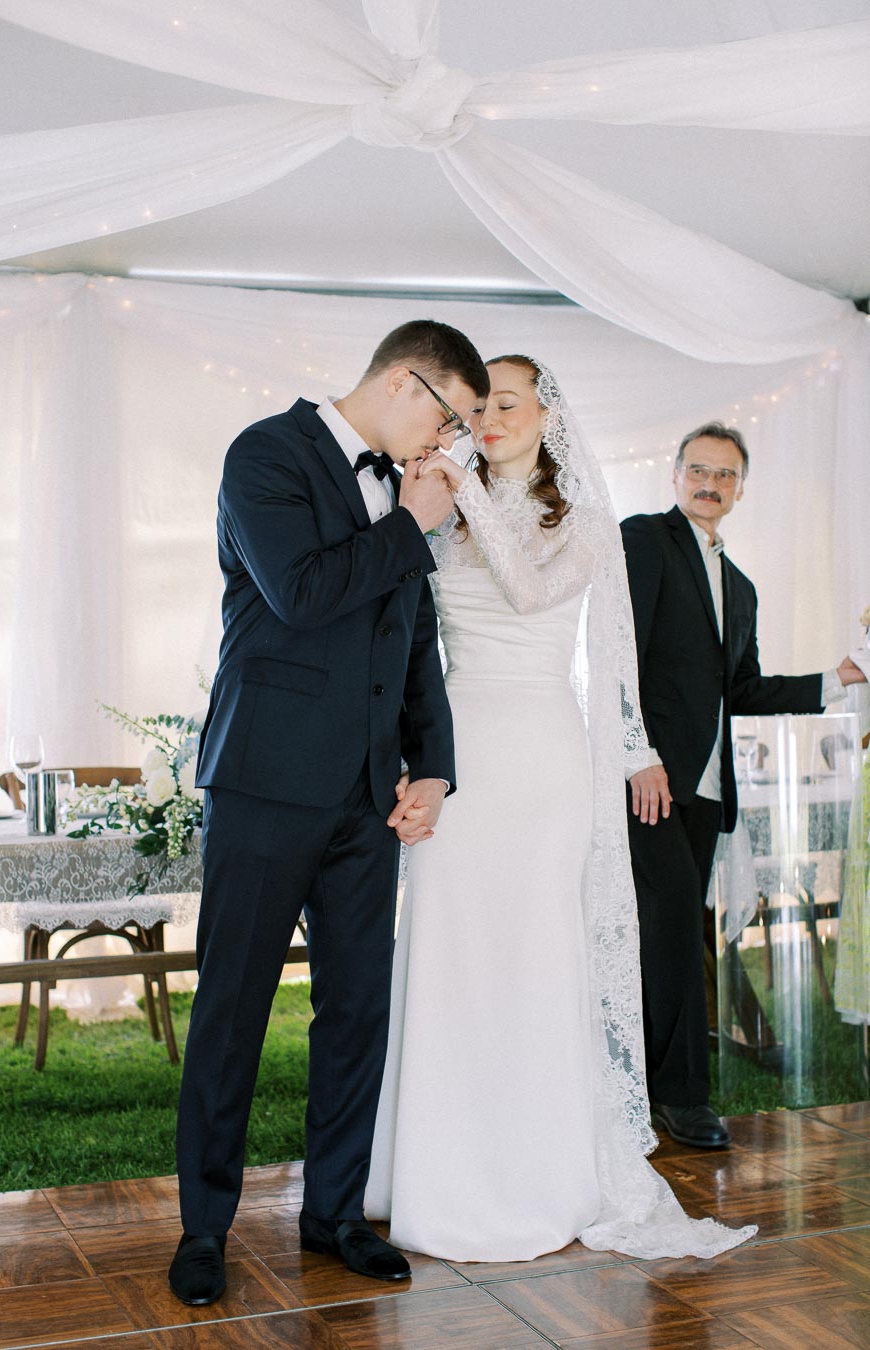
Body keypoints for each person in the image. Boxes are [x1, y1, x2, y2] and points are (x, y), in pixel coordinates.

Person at [365, 356, 756, 1262]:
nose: (487, 418)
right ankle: (427, 1162)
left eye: (507, 403)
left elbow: (531, 592)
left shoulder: (581, 520)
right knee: (447, 942)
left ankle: (535, 1169)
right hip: (454, 752)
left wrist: (463, 489)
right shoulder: (433, 503)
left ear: (548, 416)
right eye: (477, 405)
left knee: (535, 948)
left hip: (540, 754)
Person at [169, 320, 490, 1306]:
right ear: (405, 385)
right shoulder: (265, 453)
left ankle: (336, 1215)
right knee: (233, 1010)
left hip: (369, 798)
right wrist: (413, 525)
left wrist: (432, 768)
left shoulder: (406, 494)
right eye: (455, 419)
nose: (455, 445)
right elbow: (301, 595)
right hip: (264, 784)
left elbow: (412, 643)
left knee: (356, 1011)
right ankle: (205, 1230)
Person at [621, 423, 867, 1149]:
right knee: (666, 937)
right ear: (673, 475)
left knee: (671, 936)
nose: (710, 484)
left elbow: (747, 690)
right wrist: (638, 753)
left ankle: (644, 1084)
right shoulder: (645, 540)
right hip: (647, 780)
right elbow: (616, 652)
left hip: (705, 795)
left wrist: (840, 678)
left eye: (726, 476)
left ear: (739, 489)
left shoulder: (743, 586)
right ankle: (683, 1097)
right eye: (698, 469)